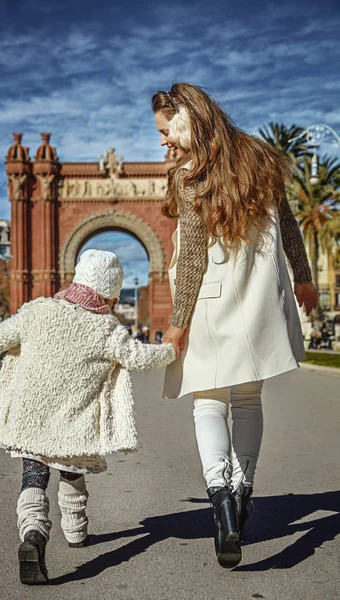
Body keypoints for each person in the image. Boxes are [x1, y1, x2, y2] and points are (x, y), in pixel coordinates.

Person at [152, 83, 318, 568]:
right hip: (262, 299)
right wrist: (303, 278)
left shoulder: (190, 174)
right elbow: (288, 223)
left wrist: (178, 324)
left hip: (211, 300)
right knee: (248, 400)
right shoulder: (263, 157)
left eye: (166, 133)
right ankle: (243, 494)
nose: (163, 144)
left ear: (187, 122)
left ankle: (221, 501)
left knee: (208, 400)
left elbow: (193, 260)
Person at [0, 249, 176, 585]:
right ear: (109, 292)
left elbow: (4, 332)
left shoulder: (38, 311)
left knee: (33, 475)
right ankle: (76, 534)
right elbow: (137, 357)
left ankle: (32, 534)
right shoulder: (106, 328)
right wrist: (171, 350)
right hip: (74, 424)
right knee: (73, 475)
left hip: (30, 418)